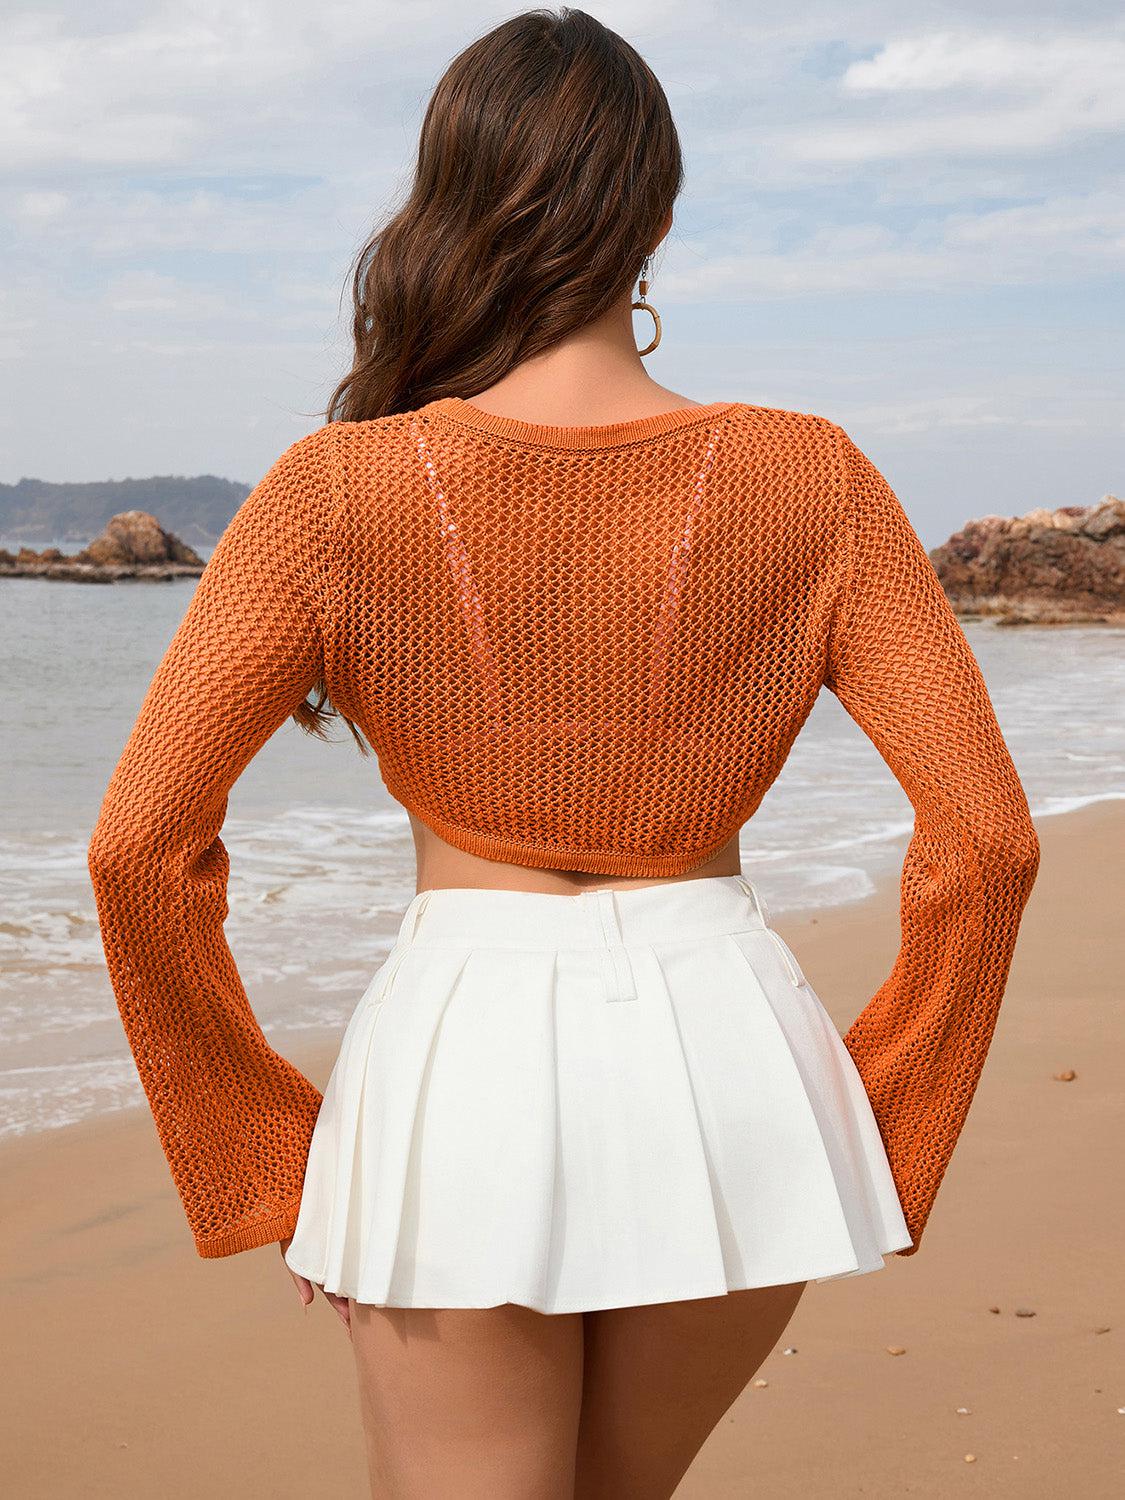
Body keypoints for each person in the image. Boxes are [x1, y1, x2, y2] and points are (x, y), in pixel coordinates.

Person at [86, 9, 1041, 1498]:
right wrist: (887, 1114)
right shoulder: (816, 474)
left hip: (464, 1046)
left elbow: (135, 847)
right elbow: (986, 841)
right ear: (656, 215)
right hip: (733, 1048)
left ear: (445, 199)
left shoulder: (334, 491)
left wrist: (260, 1145)